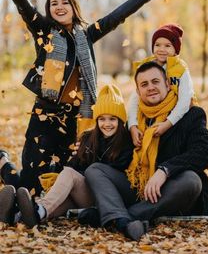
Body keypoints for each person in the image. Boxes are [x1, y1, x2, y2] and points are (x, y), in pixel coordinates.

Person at [0, 0, 181, 195]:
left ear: (73, 7)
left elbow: (117, 15)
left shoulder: (87, 35)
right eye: (54, 3)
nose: (59, 6)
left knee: (65, 177)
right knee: (29, 185)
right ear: (49, 10)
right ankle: (4, 164)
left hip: (77, 118)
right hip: (45, 116)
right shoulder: (45, 33)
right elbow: (25, 9)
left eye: (64, 2)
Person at [82, 61, 208, 241]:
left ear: (167, 85)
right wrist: (85, 147)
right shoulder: (134, 121)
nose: (151, 87)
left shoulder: (191, 114)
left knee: (192, 180)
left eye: (155, 82)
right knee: (95, 170)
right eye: (144, 84)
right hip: (138, 188)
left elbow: (204, 152)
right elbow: (112, 146)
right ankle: (124, 221)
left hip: (172, 190)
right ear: (138, 92)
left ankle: (117, 216)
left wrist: (165, 171)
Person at [0, 85, 134, 228]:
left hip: (106, 198)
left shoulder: (126, 142)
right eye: (102, 119)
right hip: (83, 194)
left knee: (69, 176)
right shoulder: (89, 137)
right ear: (97, 120)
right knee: (57, 203)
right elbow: (73, 165)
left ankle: (39, 209)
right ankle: (19, 216)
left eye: (112, 119)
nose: (107, 124)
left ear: (120, 120)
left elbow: (107, 174)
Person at [128, 23, 208, 192]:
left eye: (167, 45)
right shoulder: (147, 67)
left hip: (181, 116)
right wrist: (133, 125)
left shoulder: (180, 69)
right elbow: (134, 99)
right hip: (158, 115)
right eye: (157, 45)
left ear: (176, 50)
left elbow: (184, 101)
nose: (161, 49)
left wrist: (168, 124)